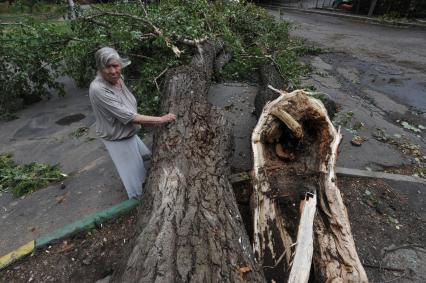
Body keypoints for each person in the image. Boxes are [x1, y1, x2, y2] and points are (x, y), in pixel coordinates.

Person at [89, 47, 176, 199]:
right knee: (137, 183)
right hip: (118, 138)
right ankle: (140, 202)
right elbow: (129, 116)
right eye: (107, 67)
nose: (113, 71)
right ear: (100, 68)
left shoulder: (117, 79)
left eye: (115, 66)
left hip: (129, 132)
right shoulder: (98, 89)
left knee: (145, 162)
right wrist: (161, 119)